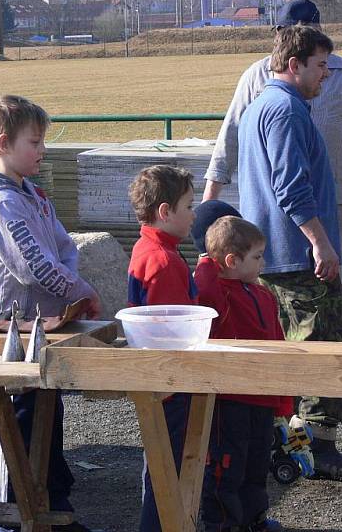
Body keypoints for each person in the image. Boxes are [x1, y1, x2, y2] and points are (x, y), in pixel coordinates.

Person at [233, 24, 342, 482]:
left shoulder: (261, 106)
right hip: (298, 258)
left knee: (294, 359)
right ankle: (318, 451)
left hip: (274, 256)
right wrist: (320, 241)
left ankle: (295, 450)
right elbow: (291, 188)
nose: (326, 76)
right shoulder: (286, 111)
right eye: (320, 67)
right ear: (293, 65)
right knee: (322, 355)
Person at [0, 95, 100, 532]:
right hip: (14, 332)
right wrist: (81, 293)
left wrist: (71, 290)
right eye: (35, 142)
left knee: (47, 419)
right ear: (3, 143)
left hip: (44, 325)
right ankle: (13, 515)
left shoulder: (30, 193)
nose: (42, 151)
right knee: (19, 430)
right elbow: (34, 265)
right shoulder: (1, 204)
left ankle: (50, 507)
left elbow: (61, 248)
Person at [203, 0, 342, 248]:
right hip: (268, 205)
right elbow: (230, 138)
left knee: (325, 274)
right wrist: (208, 206)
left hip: (325, 198)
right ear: (279, 35)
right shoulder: (256, 75)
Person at [192, 209, 294, 532]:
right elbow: (203, 287)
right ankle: (223, 524)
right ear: (233, 262)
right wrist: (209, 260)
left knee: (256, 464)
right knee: (226, 466)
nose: (263, 264)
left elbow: (278, 345)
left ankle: (254, 519)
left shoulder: (264, 294)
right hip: (230, 399)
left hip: (262, 398)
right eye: (257, 257)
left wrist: (283, 400)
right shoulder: (220, 297)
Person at [126, 164, 198, 532]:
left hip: (158, 382)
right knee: (166, 471)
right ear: (165, 212)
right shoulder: (163, 261)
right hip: (170, 383)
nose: (193, 214)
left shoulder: (148, 248)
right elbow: (173, 329)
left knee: (157, 465)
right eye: (188, 206)